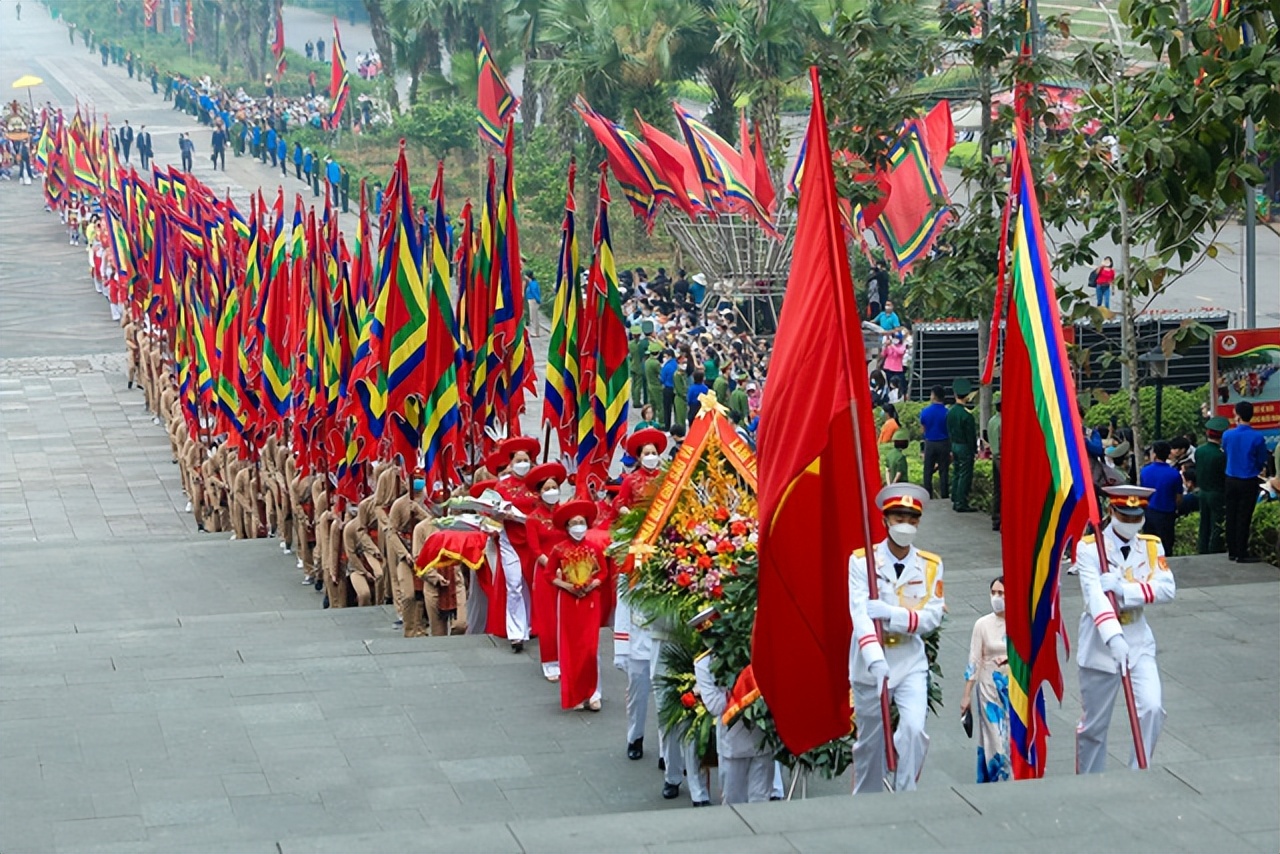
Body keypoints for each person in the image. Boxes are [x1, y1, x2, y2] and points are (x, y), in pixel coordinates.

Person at [848, 483, 945, 793]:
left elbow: (931, 616)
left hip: (908, 660)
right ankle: (866, 799)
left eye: (912, 519)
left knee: (914, 730)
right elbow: (860, 614)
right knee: (870, 741)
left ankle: (906, 794)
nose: (905, 525)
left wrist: (892, 615)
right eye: (898, 517)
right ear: (884, 520)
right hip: (870, 663)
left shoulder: (930, 566)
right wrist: (875, 660)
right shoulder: (862, 562)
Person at [1074, 485, 1176, 773]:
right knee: (1094, 726)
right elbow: (1095, 597)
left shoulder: (1151, 545)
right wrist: (1113, 637)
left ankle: (1138, 772)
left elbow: (1167, 589)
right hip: (1100, 641)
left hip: (1138, 638)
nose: (1131, 523)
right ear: (1111, 512)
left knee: (1152, 708)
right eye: (1125, 516)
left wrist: (1125, 590)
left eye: (1136, 517)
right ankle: (1089, 779)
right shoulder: (1089, 548)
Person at [691, 608, 773, 804]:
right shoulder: (704, 665)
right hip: (733, 742)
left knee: (761, 800)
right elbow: (716, 706)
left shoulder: (750, 651)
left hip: (762, 737)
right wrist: (740, 689)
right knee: (734, 804)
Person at [547, 500, 607, 711]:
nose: (578, 526)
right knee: (571, 648)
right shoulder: (558, 550)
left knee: (591, 648)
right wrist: (567, 585)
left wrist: (590, 585)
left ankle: (594, 693)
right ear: (566, 527)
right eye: (574, 523)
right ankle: (575, 693)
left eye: (581, 522)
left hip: (590, 601)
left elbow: (603, 573)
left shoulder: (594, 548)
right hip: (568, 601)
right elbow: (549, 575)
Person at [960, 577, 1010, 783]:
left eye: (1001, 593)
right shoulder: (982, 624)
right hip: (989, 686)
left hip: (1013, 687)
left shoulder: (1021, 621)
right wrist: (966, 695)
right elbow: (974, 659)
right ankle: (999, 777)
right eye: (994, 593)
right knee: (994, 737)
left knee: (1012, 736)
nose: (997, 598)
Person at [526, 462, 566, 679]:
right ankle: (550, 662)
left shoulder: (565, 514)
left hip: (568, 571)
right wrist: (553, 567)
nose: (552, 492)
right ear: (539, 493)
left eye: (554, 487)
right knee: (549, 619)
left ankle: (566, 658)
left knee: (567, 619)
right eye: (547, 489)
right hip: (546, 574)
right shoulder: (533, 519)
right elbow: (535, 550)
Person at [1222, 401, 1269, 563]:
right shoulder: (1257, 437)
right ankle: (1242, 551)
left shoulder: (1227, 435)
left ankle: (1232, 550)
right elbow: (1261, 459)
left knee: (1231, 514)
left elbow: (1226, 452)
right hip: (1248, 479)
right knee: (1244, 515)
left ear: (1238, 415)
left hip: (1230, 477)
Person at [1139, 440, 1182, 554]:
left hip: (1150, 511)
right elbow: (1178, 497)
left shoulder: (1145, 471)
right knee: (1166, 545)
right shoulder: (1174, 474)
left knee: (1149, 545)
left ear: (1155, 454)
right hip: (1167, 513)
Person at [1195, 416, 1229, 554]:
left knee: (1204, 522)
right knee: (1217, 524)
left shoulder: (1199, 451)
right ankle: (1214, 550)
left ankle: (1202, 549)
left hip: (1202, 492)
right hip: (1217, 493)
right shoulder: (1220, 455)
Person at [947, 378, 977, 512]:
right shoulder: (967, 416)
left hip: (954, 445)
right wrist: (974, 451)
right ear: (968, 395)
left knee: (956, 472)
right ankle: (960, 502)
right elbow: (971, 436)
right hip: (965, 447)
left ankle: (954, 497)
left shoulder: (950, 412)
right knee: (965, 474)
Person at [920, 385, 950, 500]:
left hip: (930, 442)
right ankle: (945, 496)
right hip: (944, 442)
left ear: (933, 395)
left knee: (927, 471)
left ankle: (928, 495)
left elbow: (923, 429)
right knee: (944, 470)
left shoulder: (925, 411)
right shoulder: (947, 412)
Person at [988, 396, 1002, 532]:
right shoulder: (1003, 422)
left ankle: (995, 519)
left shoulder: (992, 420)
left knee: (997, 490)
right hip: (1001, 458)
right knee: (1005, 490)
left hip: (994, 456)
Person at [644, 342, 664, 424]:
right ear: (658, 353)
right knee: (660, 406)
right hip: (656, 386)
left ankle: (652, 420)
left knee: (652, 405)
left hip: (649, 385)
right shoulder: (656, 363)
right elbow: (661, 374)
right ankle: (662, 422)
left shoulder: (647, 361)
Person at [882, 332, 907, 397]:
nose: (895, 339)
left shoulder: (902, 346)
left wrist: (892, 345)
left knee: (900, 385)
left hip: (898, 369)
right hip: (888, 368)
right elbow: (883, 354)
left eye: (897, 338)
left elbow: (900, 352)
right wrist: (885, 346)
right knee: (889, 385)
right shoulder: (889, 346)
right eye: (894, 338)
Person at [524, 270, 542, 336]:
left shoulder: (533, 283)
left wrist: (538, 300)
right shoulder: (530, 283)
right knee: (533, 316)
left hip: (533, 301)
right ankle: (535, 332)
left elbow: (534, 292)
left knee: (534, 317)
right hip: (531, 300)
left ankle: (536, 332)